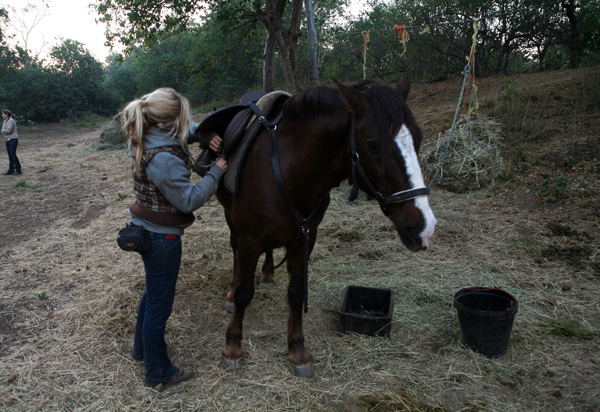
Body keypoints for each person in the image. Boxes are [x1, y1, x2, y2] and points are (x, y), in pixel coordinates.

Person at [122, 87, 227, 391]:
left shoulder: (148, 133)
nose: (187, 124)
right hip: (162, 239)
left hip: (146, 230)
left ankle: (141, 351)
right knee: (159, 307)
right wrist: (216, 174)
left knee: (151, 297)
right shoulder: (164, 159)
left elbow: (182, 132)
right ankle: (159, 373)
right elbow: (189, 200)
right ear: (169, 124)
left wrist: (201, 134)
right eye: (183, 120)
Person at [2, 110, 21, 175]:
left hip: (13, 139)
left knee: (13, 154)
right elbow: (3, 130)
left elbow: (9, 130)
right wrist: (4, 130)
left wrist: (4, 130)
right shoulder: (5, 121)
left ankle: (18, 169)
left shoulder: (11, 121)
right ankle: (11, 169)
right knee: (10, 155)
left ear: (6, 114)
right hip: (8, 139)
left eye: (3, 114)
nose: (2, 115)